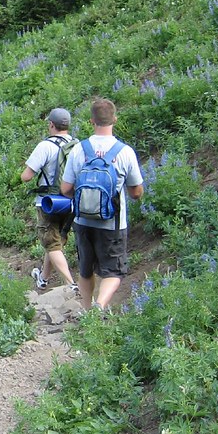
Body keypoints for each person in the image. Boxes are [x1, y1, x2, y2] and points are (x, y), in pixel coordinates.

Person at [60, 98, 144, 312]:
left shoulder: (79, 149)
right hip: (112, 223)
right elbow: (136, 192)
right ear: (114, 119)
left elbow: (65, 189)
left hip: (82, 221)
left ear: (92, 121)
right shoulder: (124, 152)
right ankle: (100, 306)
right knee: (114, 271)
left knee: (86, 270)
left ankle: (87, 310)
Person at [21, 108, 78, 293]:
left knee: (51, 244)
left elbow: (27, 176)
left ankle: (71, 284)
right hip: (70, 201)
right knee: (55, 241)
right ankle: (43, 279)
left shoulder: (45, 146)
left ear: (51, 124)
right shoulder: (77, 145)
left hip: (49, 202)